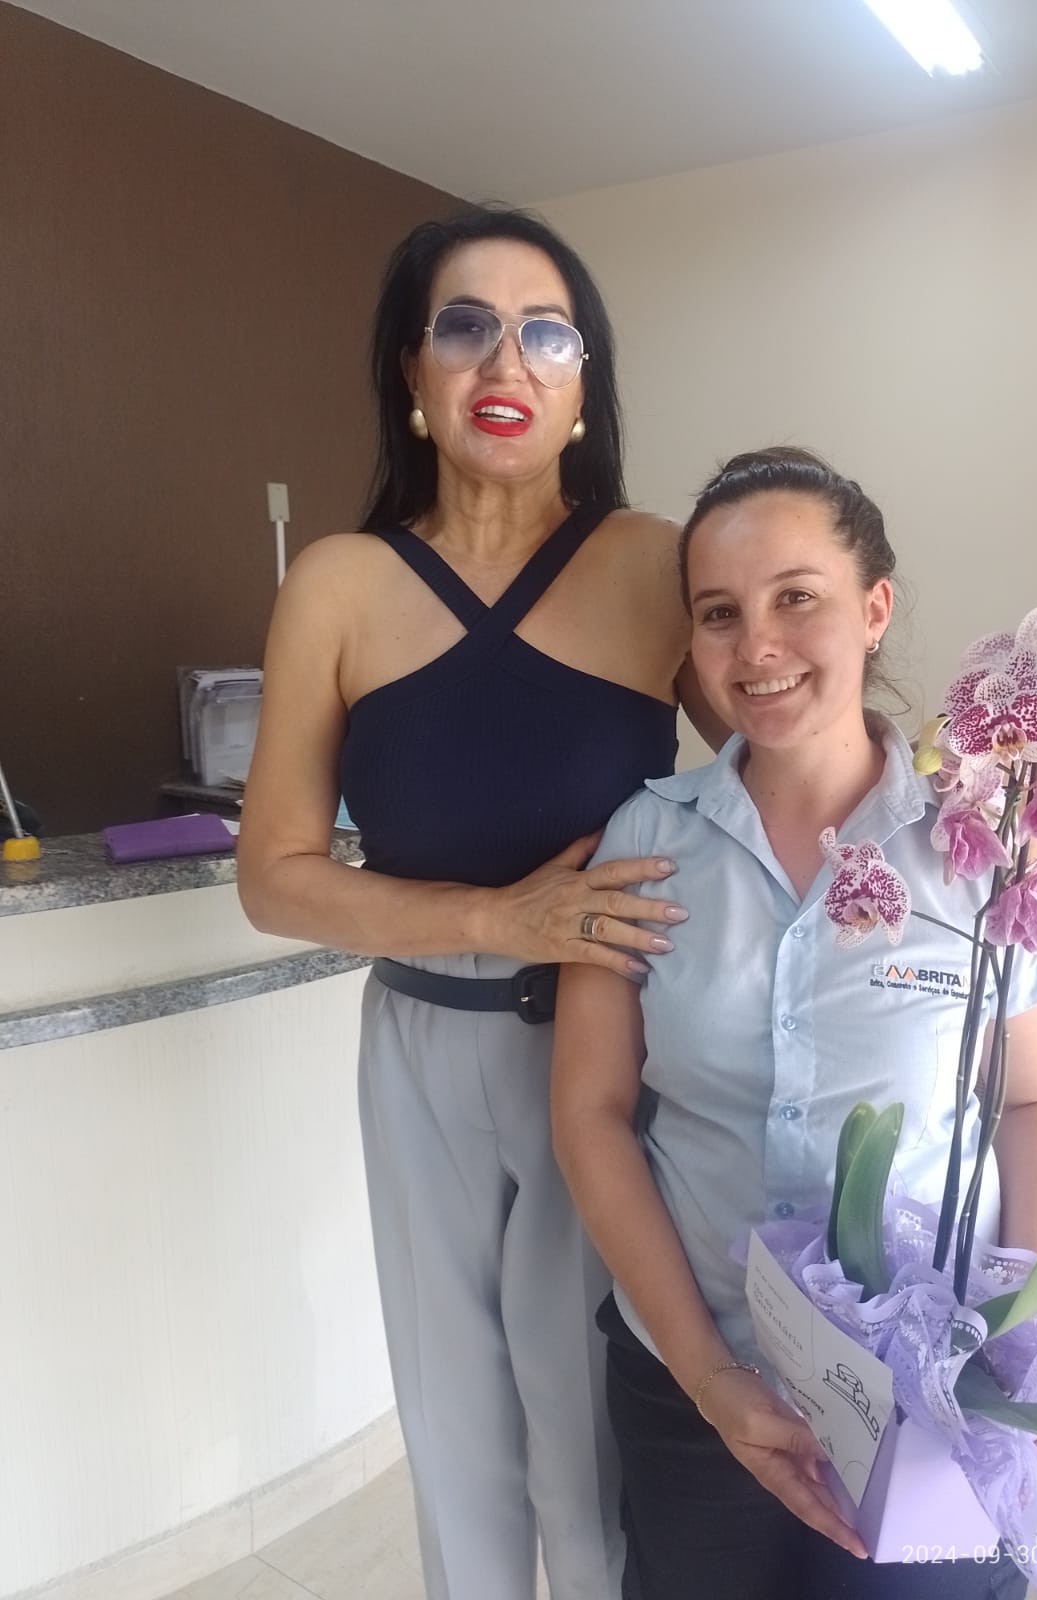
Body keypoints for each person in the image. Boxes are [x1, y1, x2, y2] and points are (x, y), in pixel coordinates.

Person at [237, 204, 723, 1600]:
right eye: (466, 327)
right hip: (420, 1054)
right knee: (454, 1435)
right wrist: (492, 919)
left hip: (605, 1048)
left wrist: (955, 804)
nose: (506, 359)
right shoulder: (337, 584)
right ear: (414, 371)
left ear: (581, 385)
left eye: (545, 332)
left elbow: (778, 771)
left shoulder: (653, 562)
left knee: (590, 1437)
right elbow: (274, 874)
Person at [550, 447, 1037, 1600]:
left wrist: (1017, 1332)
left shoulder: (985, 846)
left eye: (796, 597)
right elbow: (592, 1112)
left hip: (921, 1389)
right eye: (719, 613)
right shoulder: (646, 841)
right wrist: (709, 1377)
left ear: (875, 608)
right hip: (695, 1378)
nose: (757, 646)